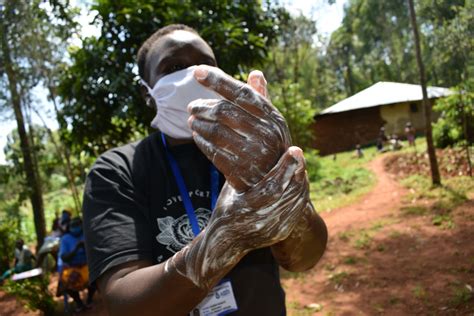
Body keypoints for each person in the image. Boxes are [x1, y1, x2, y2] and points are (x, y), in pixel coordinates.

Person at [83, 24, 327, 315]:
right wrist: (224, 239)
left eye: (205, 64)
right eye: (174, 66)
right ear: (146, 92)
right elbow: (124, 303)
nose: (194, 74)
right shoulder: (118, 170)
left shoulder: (250, 151)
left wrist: (287, 192)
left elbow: (304, 259)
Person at [57, 217, 96, 312]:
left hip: (87, 265)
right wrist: (76, 249)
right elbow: (64, 257)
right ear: (69, 227)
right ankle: (79, 302)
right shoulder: (65, 239)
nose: (75, 228)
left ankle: (89, 299)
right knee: (65, 280)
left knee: (95, 276)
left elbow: (96, 251)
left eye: (77, 225)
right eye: (73, 226)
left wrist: (86, 247)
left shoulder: (87, 235)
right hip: (72, 267)